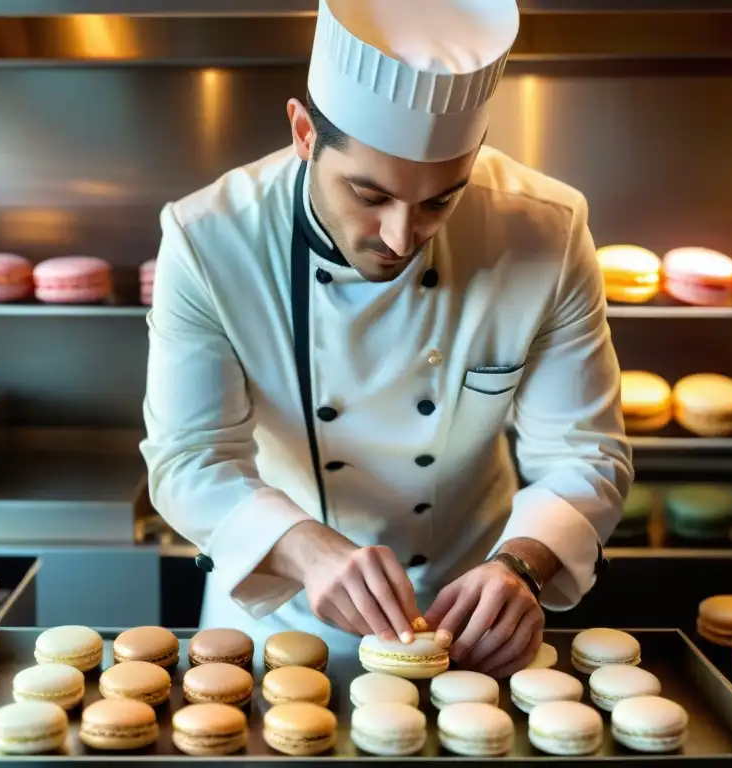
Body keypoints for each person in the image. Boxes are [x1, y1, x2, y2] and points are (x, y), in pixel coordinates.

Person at [141, 0, 633, 678]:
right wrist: (305, 547)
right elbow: (188, 459)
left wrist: (523, 564)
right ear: (304, 132)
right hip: (275, 620)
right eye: (370, 197)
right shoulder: (208, 240)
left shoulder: (545, 230)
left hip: (474, 618)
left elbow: (585, 450)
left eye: (440, 201)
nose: (402, 238)